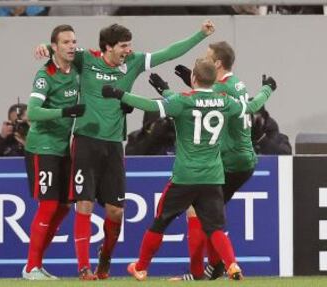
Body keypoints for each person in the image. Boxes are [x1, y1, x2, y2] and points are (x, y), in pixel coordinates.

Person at [35, 20, 216, 280]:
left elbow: (169, 52)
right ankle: (84, 268)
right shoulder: (86, 59)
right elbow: (61, 53)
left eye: (129, 45)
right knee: (83, 204)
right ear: (107, 47)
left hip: (113, 145)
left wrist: (200, 34)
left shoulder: (133, 62)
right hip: (85, 140)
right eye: (123, 46)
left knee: (115, 211)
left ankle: (105, 257)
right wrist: (44, 47)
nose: (128, 50)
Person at [101, 58, 276, 281]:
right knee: (215, 228)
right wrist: (267, 88)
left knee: (160, 221)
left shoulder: (182, 101)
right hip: (213, 176)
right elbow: (252, 106)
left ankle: (141, 267)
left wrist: (120, 94)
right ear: (214, 80)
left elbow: (149, 105)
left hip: (185, 176)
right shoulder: (225, 101)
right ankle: (232, 264)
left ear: (193, 78)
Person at [153, 41, 277, 280]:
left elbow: (198, 102)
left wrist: (169, 91)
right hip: (244, 160)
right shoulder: (236, 83)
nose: (204, 59)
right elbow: (249, 105)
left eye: (208, 57)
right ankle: (214, 268)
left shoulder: (224, 88)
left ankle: (202, 273)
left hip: (229, 161)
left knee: (197, 211)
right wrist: (267, 89)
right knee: (208, 213)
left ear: (218, 63)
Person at [22, 24, 85, 280]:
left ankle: (36, 264)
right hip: (42, 146)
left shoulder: (77, 66)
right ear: (56, 47)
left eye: (74, 41)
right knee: (48, 205)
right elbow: (33, 112)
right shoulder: (45, 74)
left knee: (63, 207)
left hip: (63, 148)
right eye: (66, 42)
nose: (72, 46)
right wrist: (64, 112)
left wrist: (47, 46)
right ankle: (31, 267)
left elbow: (96, 57)